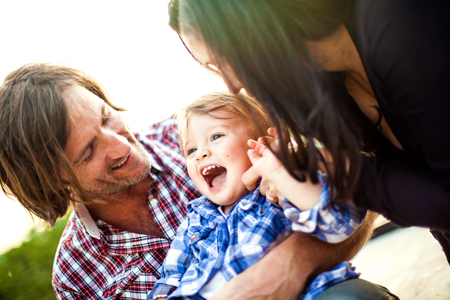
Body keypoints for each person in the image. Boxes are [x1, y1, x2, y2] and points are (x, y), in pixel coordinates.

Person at [0, 63, 390, 300]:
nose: (121, 146)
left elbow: (361, 188)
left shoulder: (203, 135)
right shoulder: (76, 276)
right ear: (54, 186)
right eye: (88, 152)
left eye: (106, 117)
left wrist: (286, 268)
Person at [168, 0, 450, 262]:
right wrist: (312, 164)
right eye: (214, 67)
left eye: (225, 58)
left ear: (259, 24)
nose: (230, 83)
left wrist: (334, 167)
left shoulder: (402, 23)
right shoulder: (321, 93)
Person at [148, 91, 366, 300]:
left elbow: (337, 223)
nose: (201, 154)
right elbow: (171, 277)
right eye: (191, 150)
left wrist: (281, 174)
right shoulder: (194, 217)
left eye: (216, 136)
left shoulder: (276, 191)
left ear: (262, 145)